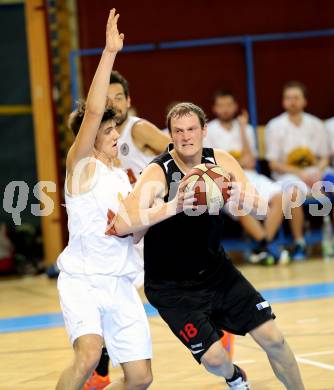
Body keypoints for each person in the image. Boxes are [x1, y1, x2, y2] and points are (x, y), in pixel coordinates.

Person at [107, 102, 305, 389]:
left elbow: (264, 210)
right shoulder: (158, 171)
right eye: (178, 131)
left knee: (275, 339)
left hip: (217, 273)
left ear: (203, 131)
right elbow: (124, 223)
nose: (186, 137)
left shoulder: (221, 162)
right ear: (171, 136)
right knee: (215, 360)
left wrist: (244, 198)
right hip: (171, 287)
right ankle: (234, 376)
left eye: (191, 130)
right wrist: (173, 205)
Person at [55, 10, 154, 390]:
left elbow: (135, 235)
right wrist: (110, 52)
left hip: (121, 282)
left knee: (141, 378)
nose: (114, 134)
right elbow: (94, 110)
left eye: (115, 129)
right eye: (107, 130)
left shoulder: (124, 179)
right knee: (89, 354)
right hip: (83, 281)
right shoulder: (80, 168)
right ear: (91, 135)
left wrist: (144, 221)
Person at [85, 71, 171, 389]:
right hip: (126, 229)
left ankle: (217, 330)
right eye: (106, 99)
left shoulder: (139, 129)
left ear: (129, 101)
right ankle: (102, 370)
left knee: (173, 291)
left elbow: (180, 155)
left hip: (153, 225)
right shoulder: (95, 138)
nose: (114, 104)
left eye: (119, 97)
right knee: (110, 296)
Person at [204, 90, 288, 265]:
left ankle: (263, 245)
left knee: (281, 196)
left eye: (229, 105)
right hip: (222, 180)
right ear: (215, 108)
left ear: (234, 107)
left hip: (249, 175)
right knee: (238, 202)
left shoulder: (246, 128)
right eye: (221, 105)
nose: (225, 109)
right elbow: (211, 166)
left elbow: (250, 162)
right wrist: (236, 162)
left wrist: (242, 129)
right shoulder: (208, 131)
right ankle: (267, 245)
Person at [266, 81, 330, 260]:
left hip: (316, 172)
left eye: (296, 98)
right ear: (283, 102)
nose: (292, 102)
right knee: (293, 192)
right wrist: (300, 173)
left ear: (305, 101)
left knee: (331, 182)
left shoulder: (316, 124)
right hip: (287, 175)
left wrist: (317, 171)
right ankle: (299, 242)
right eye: (288, 98)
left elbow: (324, 157)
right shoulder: (274, 125)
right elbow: (273, 163)